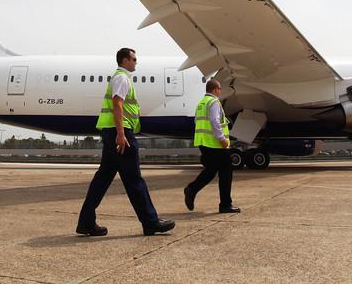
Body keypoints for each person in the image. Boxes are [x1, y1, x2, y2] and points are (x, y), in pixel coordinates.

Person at [76, 48, 175, 237]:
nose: (136, 62)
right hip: (120, 134)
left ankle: (86, 221)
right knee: (134, 180)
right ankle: (151, 222)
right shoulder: (122, 78)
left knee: (102, 180)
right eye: (133, 59)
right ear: (124, 60)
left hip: (112, 132)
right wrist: (121, 134)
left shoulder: (120, 77)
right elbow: (117, 103)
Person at [184, 79, 240, 213]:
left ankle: (192, 189)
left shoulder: (201, 104)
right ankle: (225, 205)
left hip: (204, 143)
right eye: (220, 89)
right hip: (216, 145)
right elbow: (215, 121)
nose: (221, 91)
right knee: (226, 172)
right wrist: (222, 138)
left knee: (210, 171)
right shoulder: (214, 102)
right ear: (215, 89)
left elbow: (197, 121)